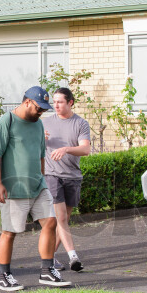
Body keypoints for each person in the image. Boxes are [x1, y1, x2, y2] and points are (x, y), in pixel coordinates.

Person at [0, 86, 71, 291]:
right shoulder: (7, 121)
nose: (40, 112)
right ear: (26, 102)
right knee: (10, 231)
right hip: (13, 187)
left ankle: (46, 271)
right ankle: (5, 276)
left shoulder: (38, 125)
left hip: (37, 184)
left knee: (50, 222)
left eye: (43, 109)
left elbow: (41, 154)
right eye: (38, 108)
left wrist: (42, 178)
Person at [44, 87, 91, 272]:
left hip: (72, 176)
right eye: (54, 102)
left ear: (70, 102)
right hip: (52, 175)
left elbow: (85, 150)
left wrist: (66, 149)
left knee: (63, 219)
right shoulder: (45, 123)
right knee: (61, 217)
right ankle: (73, 257)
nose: (56, 105)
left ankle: (49, 258)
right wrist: (40, 139)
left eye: (60, 101)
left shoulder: (80, 123)